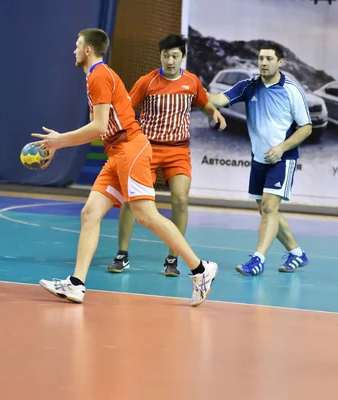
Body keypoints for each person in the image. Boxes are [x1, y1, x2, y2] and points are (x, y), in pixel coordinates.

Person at [33, 28, 218, 306]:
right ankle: (76, 284)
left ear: (87, 50)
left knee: (146, 216)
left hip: (130, 149)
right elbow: (103, 127)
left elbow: (98, 127)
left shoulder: (98, 76)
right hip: (117, 152)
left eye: (77, 45)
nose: (73, 50)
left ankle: (200, 270)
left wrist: (59, 141)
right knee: (90, 213)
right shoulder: (96, 76)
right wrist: (60, 143)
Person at [106, 34, 226, 276]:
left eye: (174, 56)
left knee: (180, 200)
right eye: (165, 55)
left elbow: (204, 103)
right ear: (160, 56)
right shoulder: (147, 82)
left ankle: (173, 258)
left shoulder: (191, 82)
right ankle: (122, 254)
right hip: (146, 149)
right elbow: (127, 108)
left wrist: (215, 113)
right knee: (132, 201)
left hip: (178, 150)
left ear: (182, 57)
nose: (169, 60)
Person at [207, 43, 311, 276]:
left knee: (268, 207)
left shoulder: (291, 90)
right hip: (259, 158)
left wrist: (282, 148)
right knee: (266, 211)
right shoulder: (249, 86)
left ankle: (258, 259)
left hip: (283, 158)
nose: (263, 63)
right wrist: (193, 90)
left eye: (269, 59)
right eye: (261, 58)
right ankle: (297, 253)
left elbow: (306, 128)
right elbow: (221, 99)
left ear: (280, 62)